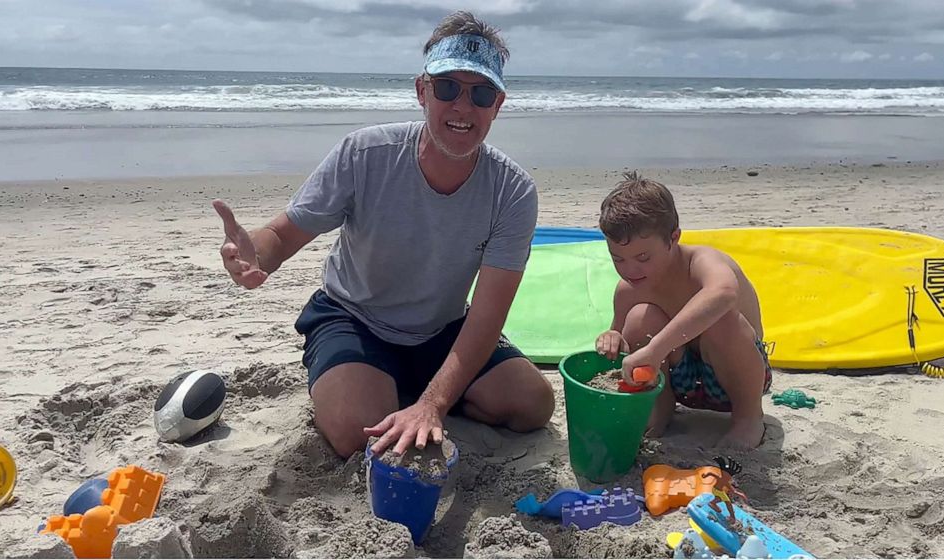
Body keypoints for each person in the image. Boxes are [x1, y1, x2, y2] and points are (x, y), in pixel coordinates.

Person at [212, 11, 554, 458]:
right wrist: (253, 254)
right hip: (354, 318)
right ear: (422, 91)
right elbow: (283, 234)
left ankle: (416, 396)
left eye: (481, 93)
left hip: (442, 327)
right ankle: (378, 387)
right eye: (448, 87)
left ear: (498, 105)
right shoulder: (365, 154)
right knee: (358, 434)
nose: (463, 107)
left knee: (532, 404)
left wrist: (433, 403)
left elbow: (487, 317)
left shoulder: (512, 190)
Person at [594, 171, 771, 448]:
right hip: (680, 384)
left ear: (674, 237)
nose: (630, 270)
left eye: (643, 257)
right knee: (639, 317)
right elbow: (620, 333)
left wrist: (656, 349)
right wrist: (611, 337)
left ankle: (748, 419)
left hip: (737, 378)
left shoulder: (700, 262)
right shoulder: (629, 288)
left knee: (720, 319)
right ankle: (659, 411)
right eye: (618, 259)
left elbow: (723, 292)